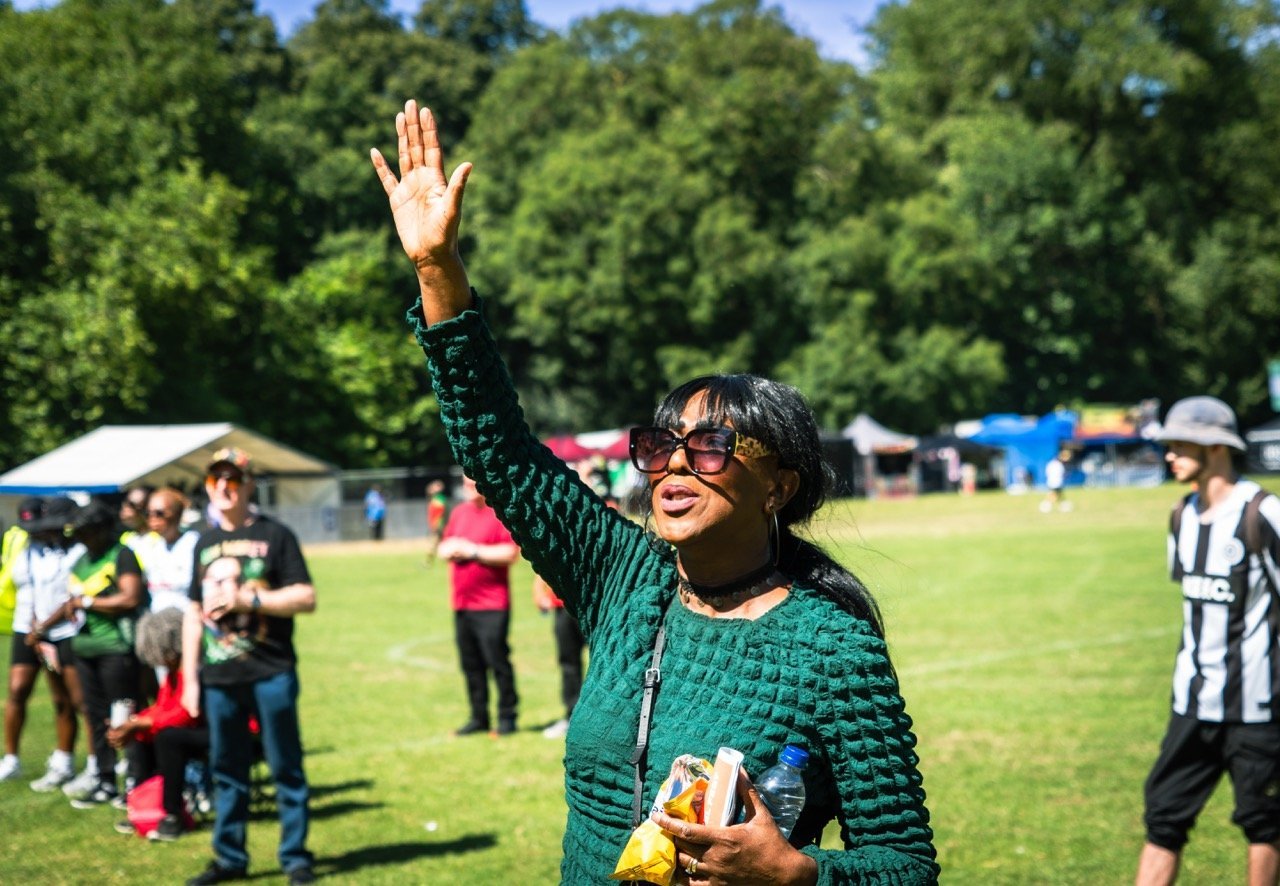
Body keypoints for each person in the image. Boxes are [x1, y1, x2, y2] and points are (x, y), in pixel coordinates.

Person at [372, 100, 937, 883]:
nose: (673, 464)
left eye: (709, 446)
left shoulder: (833, 650)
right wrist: (437, 270)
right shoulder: (622, 579)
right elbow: (501, 456)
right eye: (660, 445)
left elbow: (906, 865)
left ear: (778, 485)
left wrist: (797, 875)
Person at [1135, 396, 1280, 886]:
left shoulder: (1263, 512)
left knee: (1263, 822)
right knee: (1162, 818)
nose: (1169, 455)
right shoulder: (1182, 515)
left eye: (1180, 444)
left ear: (1216, 447)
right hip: (1192, 704)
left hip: (1258, 707)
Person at [180, 447, 317, 886]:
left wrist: (248, 599)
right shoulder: (203, 542)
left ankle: (295, 857)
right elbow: (193, 612)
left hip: (271, 671)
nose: (224, 487)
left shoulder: (275, 534)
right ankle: (229, 858)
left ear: (248, 484)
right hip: (219, 676)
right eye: (215, 479)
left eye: (233, 479)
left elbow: (306, 598)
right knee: (226, 770)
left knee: (285, 767)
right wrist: (189, 677)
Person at [43, 500, 146, 808]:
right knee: (96, 715)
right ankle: (104, 779)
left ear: (101, 529)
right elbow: (71, 601)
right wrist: (42, 628)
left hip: (115, 648)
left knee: (124, 715)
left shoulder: (121, 555)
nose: (80, 537)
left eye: (85, 531)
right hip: (84, 649)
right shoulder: (82, 560)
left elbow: (130, 598)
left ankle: (136, 782)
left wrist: (88, 603)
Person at [2, 497, 85, 792]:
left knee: (66, 698)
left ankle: (66, 760)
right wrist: (34, 630)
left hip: (59, 632)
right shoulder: (25, 548)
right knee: (17, 690)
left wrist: (42, 630)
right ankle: (11, 758)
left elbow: (67, 595)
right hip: (27, 630)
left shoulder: (70, 551)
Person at [107, 607, 206, 841]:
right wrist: (133, 723)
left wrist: (141, 723)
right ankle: (143, 806)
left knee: (167, 737)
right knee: (143, 737)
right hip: (194, 730)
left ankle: (172, 814)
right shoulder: (173, 674)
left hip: (216, 732)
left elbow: (186, 715)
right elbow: (163, 707)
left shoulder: (194, 669)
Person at [438, 475, 520, 736]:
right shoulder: (459, 513)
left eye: (473, 483)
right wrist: (449, 549)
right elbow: (445, 545)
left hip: (491, 604)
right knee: (470, 664)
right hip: (463, 604)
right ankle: (478, 716)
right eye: (465, 484)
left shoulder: (499, 512)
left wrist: (472, 551)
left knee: (497, 661)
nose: (469, 488)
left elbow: (510, 553)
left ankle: (507, 716)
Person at [131, 487, 201, 615]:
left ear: (176, 514)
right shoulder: (147, 546)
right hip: (157, 618)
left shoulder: (193, 542)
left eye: (159, 513)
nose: (152, 518)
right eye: (148, 513)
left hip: (186, 616)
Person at [532, 574, 585, 740]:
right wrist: (539, 591)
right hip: (562, 606)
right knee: (568, 662)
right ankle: (572, 717)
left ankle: (607, 716)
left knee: (603, 661)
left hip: (592, 602)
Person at [424, 479, 449, 562]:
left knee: (433, 544)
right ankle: (429, 560)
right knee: (436, 543)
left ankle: (428, 561)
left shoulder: (439, 499)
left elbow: (441, 513)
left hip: (439, 526)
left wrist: (437, 524)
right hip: (437, 525)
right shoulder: (434, 499)